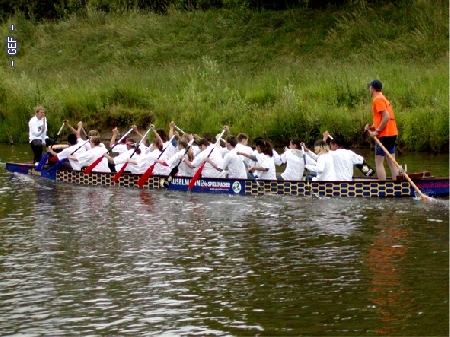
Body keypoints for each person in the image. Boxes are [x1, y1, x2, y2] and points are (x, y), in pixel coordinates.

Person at [365, 79, 399, 180]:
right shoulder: (383, 98)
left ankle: (382, 188)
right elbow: (381, 118)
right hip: (392, 133)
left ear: (373, 89)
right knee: (391, 161)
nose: (369, 89)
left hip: (384, 134)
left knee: (379, 162)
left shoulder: (377, 99)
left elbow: (386, 117)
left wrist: (377, 131)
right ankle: (396, 186)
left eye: (370, 87)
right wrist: (372, 127)